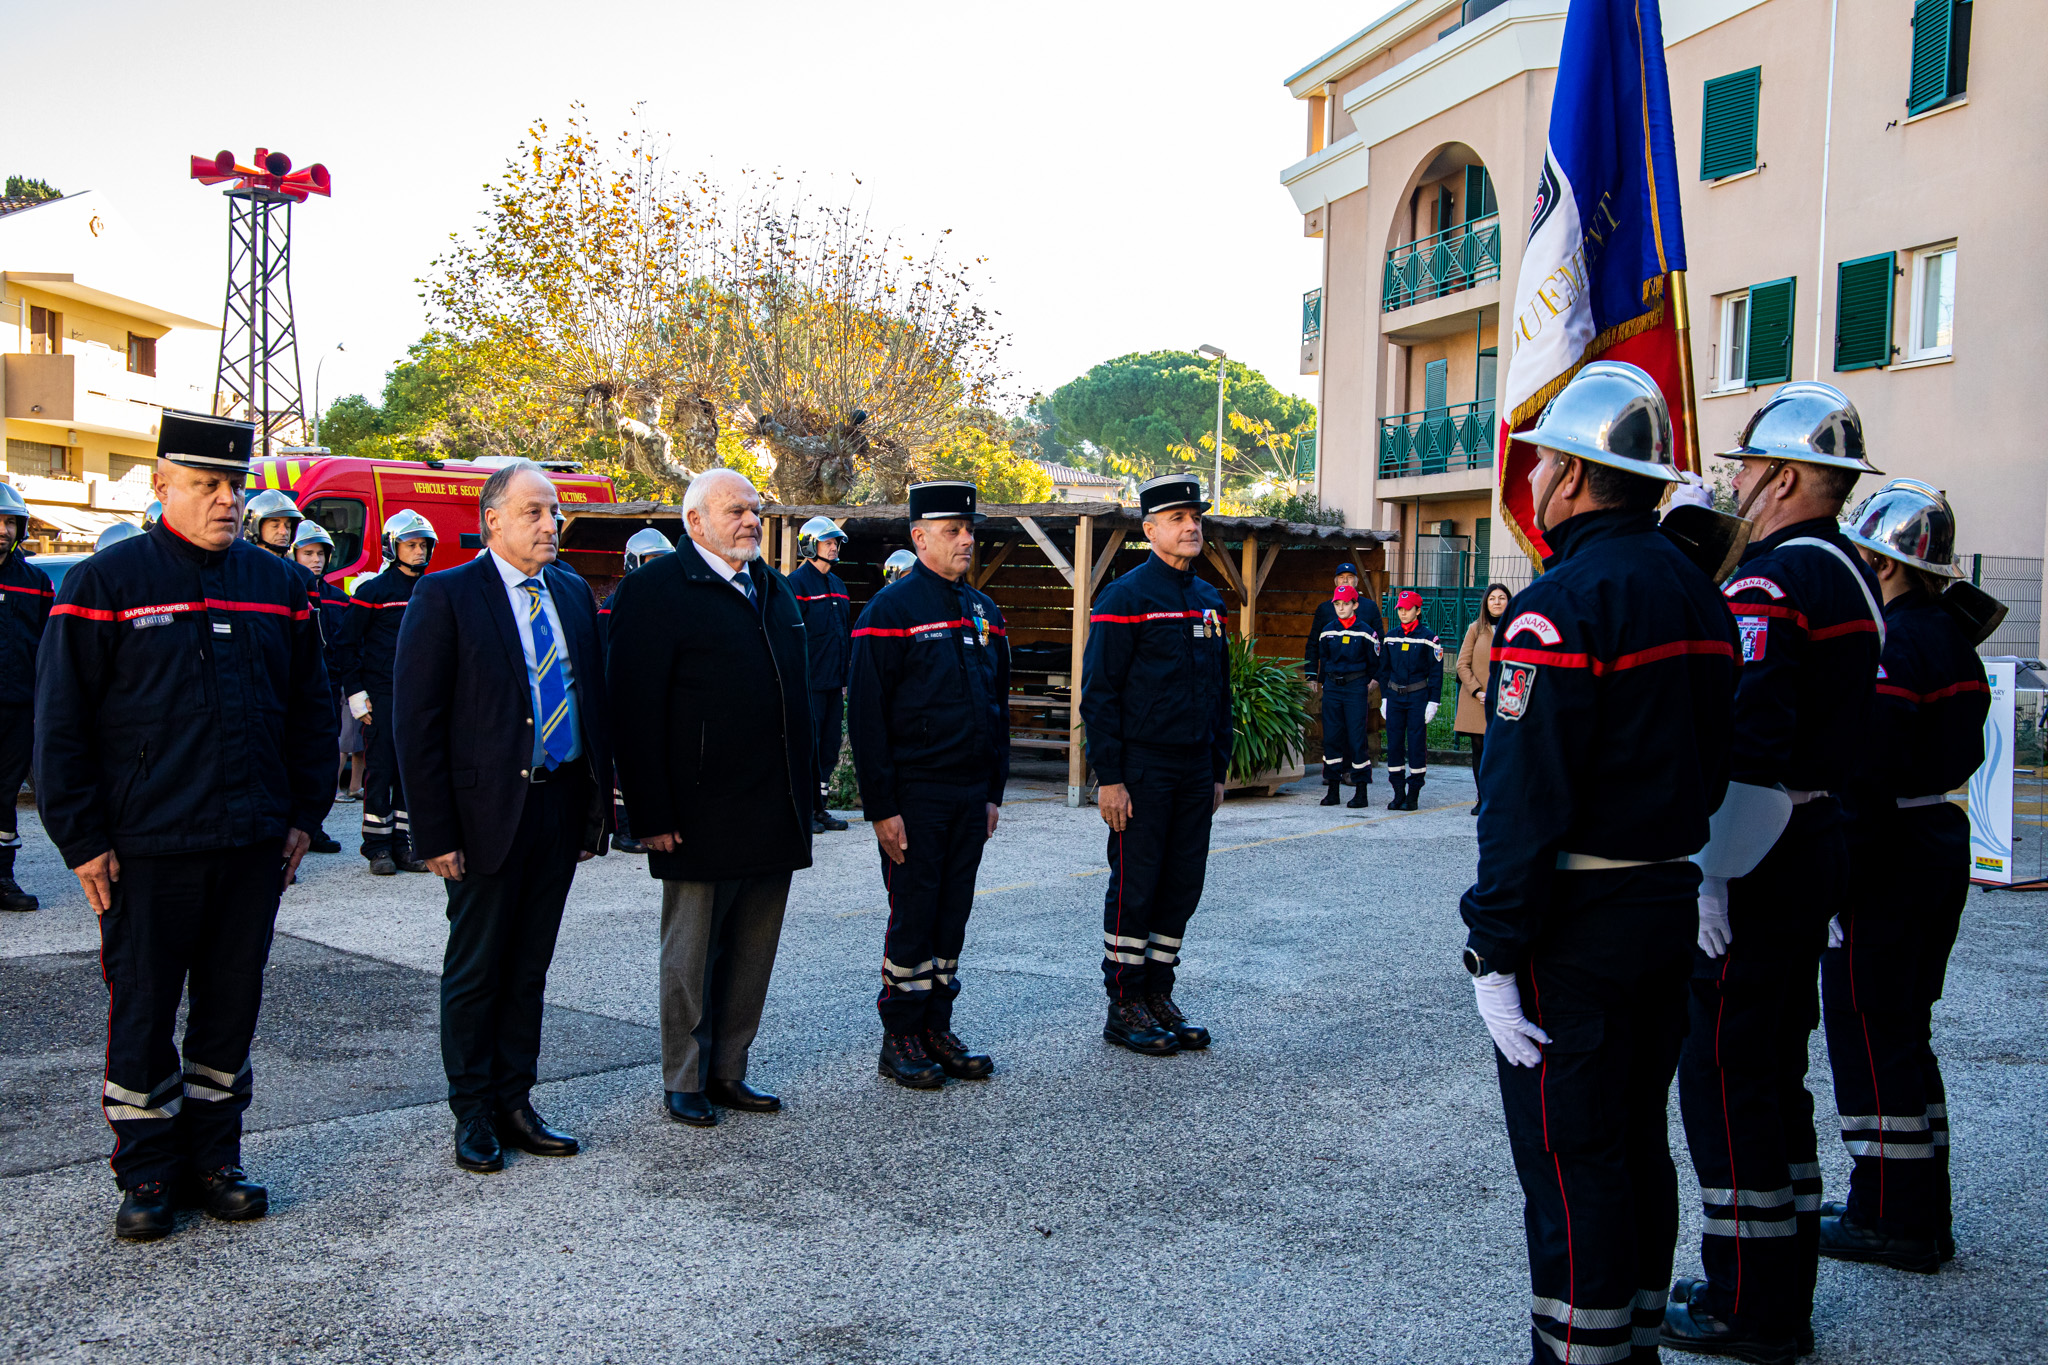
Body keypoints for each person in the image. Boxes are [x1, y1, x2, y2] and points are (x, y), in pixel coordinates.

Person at [1459, 363, 1739, 1365]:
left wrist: (1491, 950)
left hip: (1574, 917)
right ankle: (1634, 1341)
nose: (1528, 480)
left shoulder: (1555, 608)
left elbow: (1521, 803)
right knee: (1631, 1138)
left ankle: (1581, 1356)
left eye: (1539, 466)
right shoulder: (1699, 595)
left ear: (1574, 478)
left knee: (1571, 1155)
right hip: (1665, 896)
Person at [34, 409, 334, 1240]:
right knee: (143, 1012)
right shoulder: (106, 583)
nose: (224, 499)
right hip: (147, 849)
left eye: (234, 485)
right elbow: (61, 723)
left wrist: (304, 815)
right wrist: (82, 837)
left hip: (249, 846)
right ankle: (148, 1172)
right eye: (205, 484)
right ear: (161, 484)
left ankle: (213, 1161)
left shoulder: (279, 586)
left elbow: (312, 711)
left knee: (228, 1011)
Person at [1666, 382, 1885, 1363]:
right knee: (1774, 1076)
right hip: (1813, 841)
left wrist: (1711, 871)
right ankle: (1772, 1279)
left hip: (1757, 849)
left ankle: (1746, 1303)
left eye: (1746, 470)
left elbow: (1748, 740)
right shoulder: (1849, 577)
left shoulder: (1767, 584)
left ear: (1787, 477)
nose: (1735, 484)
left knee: (1728, 1081)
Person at [394, 460, 612, 1174]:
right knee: (478, 967)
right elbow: (417, 722)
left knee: (529, 966)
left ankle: (517, 1099)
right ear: (493, 519)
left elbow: (593, 704)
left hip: (554, 802)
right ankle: (473, 1110)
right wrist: (436, 832)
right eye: (535, 513)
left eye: (554, 513)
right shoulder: (448, 594)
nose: (551, 525)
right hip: (485, 814)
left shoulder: (573, 594)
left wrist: (591, 812)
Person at [606, 469, 812, 1129]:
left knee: (753, 950)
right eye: (735, 511)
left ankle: (729, 1069)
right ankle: (685, 1077)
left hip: (769, 808)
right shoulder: (654, 592)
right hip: (694, 812)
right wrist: (651, 813)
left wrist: (803, 795)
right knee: (691, 955)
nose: (750, 520)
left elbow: (797, 702)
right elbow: (633, 712)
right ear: (694, 522)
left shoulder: (774, 591)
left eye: (754, 509)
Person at [1817, 480, 1988, 1274]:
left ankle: (1889, 1212)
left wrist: (1838, 877)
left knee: (1869, 1030)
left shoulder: (1894, 642)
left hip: (1884, 849)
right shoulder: (1952, 638)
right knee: (1907, 1029)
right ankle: (1922, 1203)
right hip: (1935, 834)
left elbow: (1868, 764)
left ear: (1886, 565)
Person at [846, 481, 1009, 1089]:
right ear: (919, 538)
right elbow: (866, 719)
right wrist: (882, 808)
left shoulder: (984, 611)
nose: (966, 539)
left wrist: (993, 791)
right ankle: (902, 1036)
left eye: (969, 530)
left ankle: (938, 1026)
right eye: (952, 530)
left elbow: (997, 706)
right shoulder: (889, 612)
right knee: (913, 915)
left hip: (970, 796)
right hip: (915, 797)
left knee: (952, 917)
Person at [1080, 472, 1231, 1057]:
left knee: (1181, 886)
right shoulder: (1126, 598)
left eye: (1195, 518)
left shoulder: (1208, 598)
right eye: (1176, 519)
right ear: (1149, 530)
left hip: (1195, 770)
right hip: (1142, 769)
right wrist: (1110, 776)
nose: (1191, 526)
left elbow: (1219, 691)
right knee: (1136, 887)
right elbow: (1100, 694)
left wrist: (1218, 768)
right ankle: (1126, 1003)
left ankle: (1161, 993)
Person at [338, 511, 436, 874]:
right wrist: (355, 693)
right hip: (381, 694)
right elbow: (346, 645)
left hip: (422, 696)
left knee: (413, 771)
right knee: (380, 769)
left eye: (424, 545)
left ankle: (406, 845)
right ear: (393, 547)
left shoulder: (434, 588)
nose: (419, 552)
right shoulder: (373, 591)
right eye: (411, 545)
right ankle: (378, 846)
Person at [599, 527, 674, 855]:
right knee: (622, 765)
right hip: (623, 697)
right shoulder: (616, 604)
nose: (657, 568)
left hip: (656, 698)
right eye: (651, 561)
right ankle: (624, 829)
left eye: (662, 561)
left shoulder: (669, 602)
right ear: (633, 562)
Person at [0, 483, 53, 912]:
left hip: (18, 707)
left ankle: (3, 878)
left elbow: (50, 645)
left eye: (9, 522)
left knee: (3, 795)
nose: (2, 530)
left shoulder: (34, 581)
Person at [281, 520, 347, 856]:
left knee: (324, 756)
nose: (317, 559)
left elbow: (346, 645)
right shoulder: (285, 586)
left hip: (329, 687)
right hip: (298, 688)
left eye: (321, 553)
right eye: (309, 552)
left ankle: (315, 826)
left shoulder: (337, 598)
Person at [790, 515, 854, 834]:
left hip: (833, 684)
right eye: (828, 542)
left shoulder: (840, 587)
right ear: (810, 545)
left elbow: (844, 634)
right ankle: (803, 810)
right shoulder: (795, 585)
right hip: (807, 685)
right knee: (808, 746)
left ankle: (820, 808)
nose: (834, 547)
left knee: (828, 747)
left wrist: (845, 680)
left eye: (836, 543)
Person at [1305, 561, 1385, 788]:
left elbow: (1380, 642)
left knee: (1355, 729)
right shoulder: (1324, 609)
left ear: (1357, 582)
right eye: (1342, 577)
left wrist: (1375, 677)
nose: (1346, 580)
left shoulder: (1368, 608)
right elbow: (1314, 644)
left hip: (1357, 681)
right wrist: (1313, 675)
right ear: (1335, 582)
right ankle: (1332, 772)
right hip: (1332, 680)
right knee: (1332, 729)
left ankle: (1352, 771)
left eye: (1350, 577)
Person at [1314, 584, 1380, 809]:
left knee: (1356, 739)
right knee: (1331, 737)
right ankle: (1333, 790)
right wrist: (1322, 682)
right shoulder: (1327, 630)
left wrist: (1369, 682)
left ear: (1355, 605)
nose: (1341, 608)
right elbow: (1323, 657)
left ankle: (1361, 792)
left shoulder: (1365, 632)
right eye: (1337, 604)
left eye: (1345, 604)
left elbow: (1374, 663)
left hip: (1355, 687)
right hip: (1332, 687)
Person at [1379, 590, 1443, 811]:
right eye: (1400, 609)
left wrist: (1433, 701)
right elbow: (1384, 670)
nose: (1403, 613)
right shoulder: (1391, 636)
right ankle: (1398, 793)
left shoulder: (1429, 638)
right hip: (1395, 696)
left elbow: (1436, 673)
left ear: (1418, 611)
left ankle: (1413, 794)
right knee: (1394, 744)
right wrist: (1385, 698)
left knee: (1416, 745)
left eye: (1408, 609)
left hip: (1417, 697)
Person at [1455, 585, 1510, 816]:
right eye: (1492, 598)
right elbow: (1461, 665)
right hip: (1478, 701)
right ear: (1486, 603)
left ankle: (1502, 798)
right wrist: (1477, 691)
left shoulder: (1517, 630)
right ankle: (1482, 799)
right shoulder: (1475, 629)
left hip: (1508, 701)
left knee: (1505, 751)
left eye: (1502, 598)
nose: (1496, 602)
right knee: (1480, 750)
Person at [242, 489, 303, 558]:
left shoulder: (294, 568)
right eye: (275, 526)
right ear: (254, 528)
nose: (284, 532)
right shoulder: (240, 566)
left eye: (287, 526)